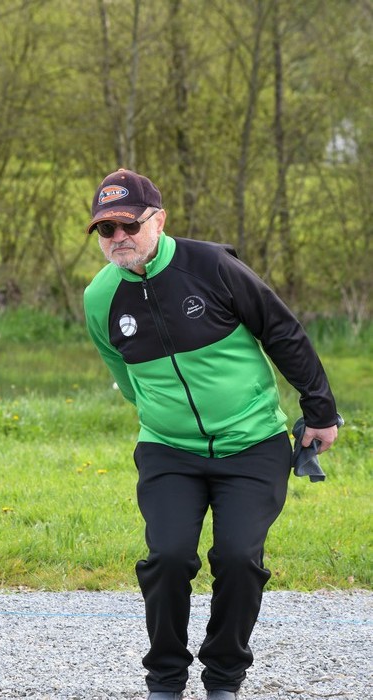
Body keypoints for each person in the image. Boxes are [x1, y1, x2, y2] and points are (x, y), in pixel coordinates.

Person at [83, 168, 339, 700]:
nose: (119, 237)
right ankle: (165, 680)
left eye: (129, 225)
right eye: (106, 229)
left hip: (252, 444)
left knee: (239, 559)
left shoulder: (212, 267)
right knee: (168, 558)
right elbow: (125, 377)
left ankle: (223, 680)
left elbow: (282, 330)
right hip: (168, 451)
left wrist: (321, 410)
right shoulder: (99, 298)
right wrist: (161, 416)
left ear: (159, 220)